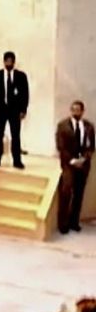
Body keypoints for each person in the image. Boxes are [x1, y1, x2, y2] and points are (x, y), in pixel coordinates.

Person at [56, 99, 94, 234]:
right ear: (71, 111)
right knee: (66, 192)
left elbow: (91, 147)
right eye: (74, 109)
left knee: (79, 194)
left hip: (83, 165)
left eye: (79, 110)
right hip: (68, 165)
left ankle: (74, 222)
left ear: (83, 111)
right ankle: (63, 224)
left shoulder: (89, 127)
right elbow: (61, 147)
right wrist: (72, 160)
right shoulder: (62, 126)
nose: (76, 112)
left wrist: (84, 159)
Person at [0, 51, 29, 169]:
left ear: (14, 62)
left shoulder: (21, 76)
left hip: (15, 111)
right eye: (7, 61)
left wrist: (23, 110)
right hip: (1, 110)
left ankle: (17, 160)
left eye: (11, 61)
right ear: (4, 61)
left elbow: (25, 94)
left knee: (15, 136)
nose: (9, 63)